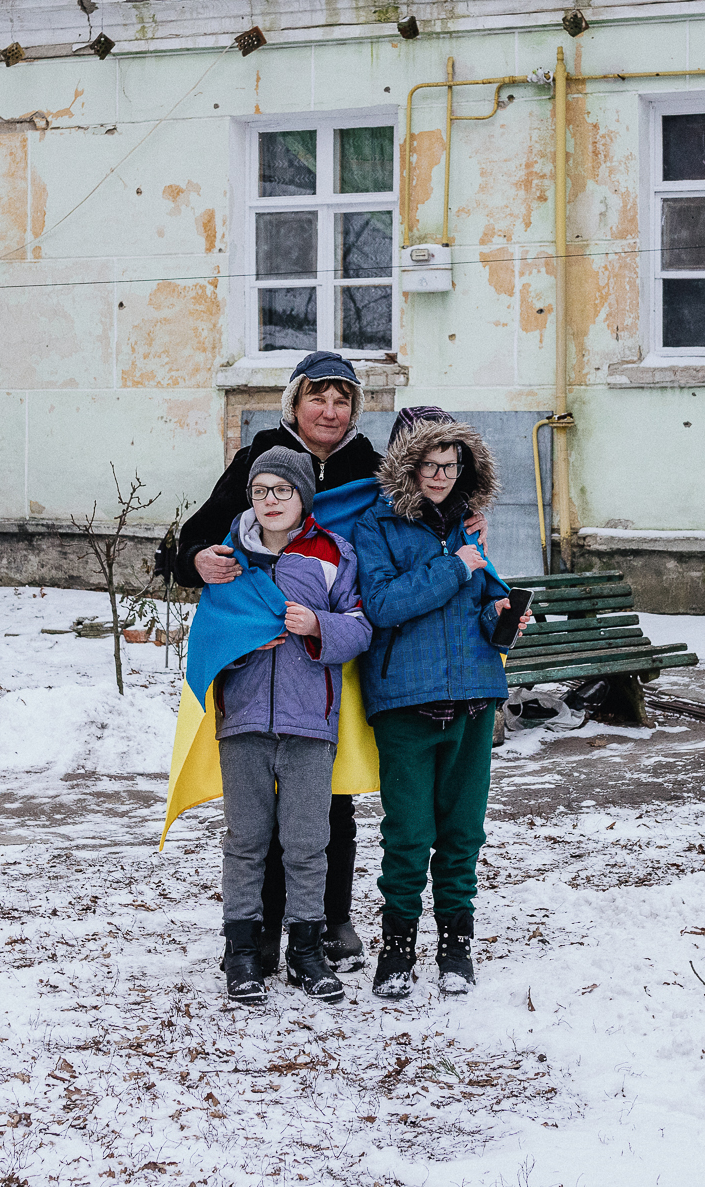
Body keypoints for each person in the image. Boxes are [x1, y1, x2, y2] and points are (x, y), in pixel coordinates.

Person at [172, 351, 385, 971]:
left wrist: (466, 521)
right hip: (259, 663)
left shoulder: (371, 469)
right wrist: (195, 561)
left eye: (342, 399)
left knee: (330, 797)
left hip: (335, 652)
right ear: (294, 403)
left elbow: (421, 514)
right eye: (318, 397)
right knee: (260, 807)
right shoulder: (257, 462)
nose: (330, 410)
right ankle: (262, 926)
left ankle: (329, 919)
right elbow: (195, 541)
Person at [354, 414, 528, 998]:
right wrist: (457, 564)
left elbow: (479, 604)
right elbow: (382, 604)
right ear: (405, 465)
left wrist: (501, 616)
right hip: (406, 699)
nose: (440, 476)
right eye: (428, 464)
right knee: (408, 833)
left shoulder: (468, 527)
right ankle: (397, 947)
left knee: (462, 832)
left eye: (450, 466)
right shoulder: (376, 525)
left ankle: (456, 944)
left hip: (475, 694)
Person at [206, 448, 373, 1004]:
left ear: (303, 496)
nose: (270, 501)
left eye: (282, 490)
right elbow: (209, 634)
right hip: (244, 721)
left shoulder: (332, 553)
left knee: (307, 842)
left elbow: (360, 626)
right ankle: (242, 952)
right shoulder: (230, 557)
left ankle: (305, 950)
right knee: (246, 841)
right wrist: (240, 646)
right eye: (260, 491)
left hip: (309, 723)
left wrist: (318, 625)